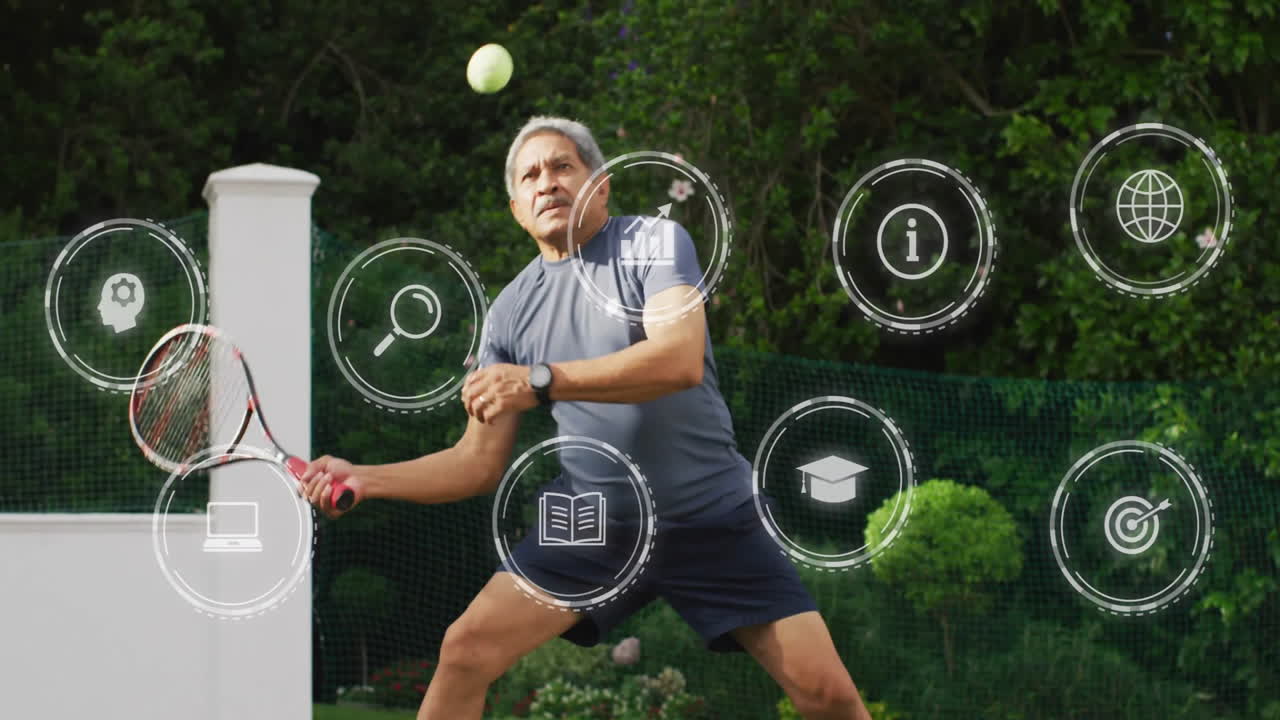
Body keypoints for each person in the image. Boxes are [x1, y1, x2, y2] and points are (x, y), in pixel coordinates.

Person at [299, 116, 873, 720]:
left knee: (827, 695)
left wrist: (541, 381)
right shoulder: (509, 313)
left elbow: (677, 360)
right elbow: (476, 462)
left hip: (710, 514)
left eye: (562, 166)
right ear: (518, 209)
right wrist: (365, 477)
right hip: (592, 524)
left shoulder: (652, 242)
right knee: (465, 650)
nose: (546, 182)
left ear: (599, 186)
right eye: (530, 176)